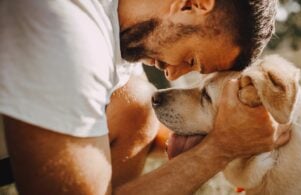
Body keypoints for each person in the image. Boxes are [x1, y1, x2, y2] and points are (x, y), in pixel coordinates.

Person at [0, 0, 286, 194]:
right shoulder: (68, 29)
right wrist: (222, 148)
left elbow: (147, 126)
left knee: (136, 104)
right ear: (192, 4)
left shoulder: (116, 27)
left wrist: (237, 131)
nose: (173, 75)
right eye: (190, 59)